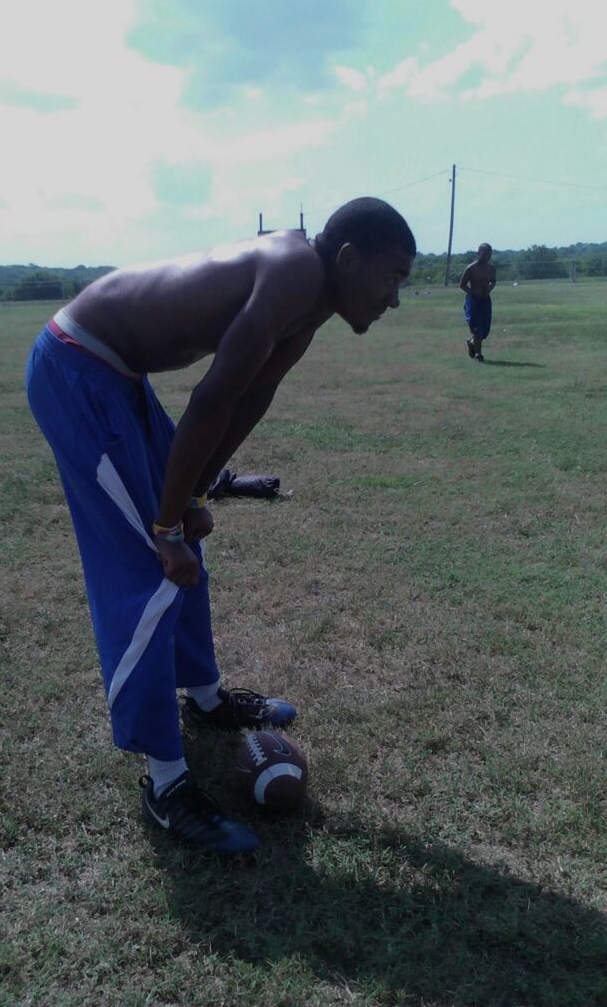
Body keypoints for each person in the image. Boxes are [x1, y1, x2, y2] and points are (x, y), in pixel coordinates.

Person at [26, 197, 415, 854]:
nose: (394, 298)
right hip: (77, 370)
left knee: (183, 545)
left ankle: (204, 700)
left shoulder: (313, 301)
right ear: (349, 260)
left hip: (119, 376)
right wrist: (168, 522)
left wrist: (195, 494)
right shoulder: (294, 271)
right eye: (392, 278)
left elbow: (250, 396)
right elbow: (211, 396)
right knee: (150, 566)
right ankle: (167, 785)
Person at [460, 243, 496, 361]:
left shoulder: (491, 269)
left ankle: (471, 342)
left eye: (489, 254)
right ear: (478, 253)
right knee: (476, 328)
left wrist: (489, 289)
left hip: (485, 300)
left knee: (484, 330)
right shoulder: (471, 268)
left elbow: (493, 282)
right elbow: (462, 285)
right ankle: (478, 354)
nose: (487, 257)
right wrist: (472, 292)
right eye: (484, 254)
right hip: (473, 301)